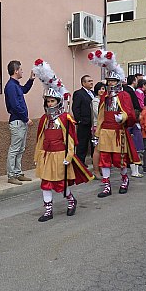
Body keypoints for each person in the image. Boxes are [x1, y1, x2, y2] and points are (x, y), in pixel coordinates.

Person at [32, 60, 93, 222]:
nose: (50, 104)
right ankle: (48, 210)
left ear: (58, 101)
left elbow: (71, 139)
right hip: (47, 155)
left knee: (60, 185)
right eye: (48, 101)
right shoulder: (44, 119)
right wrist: (38, 156)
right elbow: (41, 138)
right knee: (45, 183)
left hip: (60, 155)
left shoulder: (66, 118)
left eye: (52, 101)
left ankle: (71, 200)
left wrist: (68, 157)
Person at [88, 50, 141, 197]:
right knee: (104, 159)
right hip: (105, 132)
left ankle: (124, 180)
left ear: (118, 81)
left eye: (113, 81)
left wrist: (122, 117)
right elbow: (100, 117)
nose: (110, 83)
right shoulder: (104, 97)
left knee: (120, 160)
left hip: (119, 133)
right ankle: (106, 186)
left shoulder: (124, 95)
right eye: (109, 81)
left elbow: (130, 113)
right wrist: (97, 133)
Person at [4, 60, 35, 184]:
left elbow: (24, 90)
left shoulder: (15, 85)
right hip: (17, 121)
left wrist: (31, 79)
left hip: (20, 121)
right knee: (15, 149)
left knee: (20, 148)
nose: (22, 71)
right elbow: (15, 106)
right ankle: (11, 175)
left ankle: (17, 172)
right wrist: (26, 118)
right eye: (21, 69)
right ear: (16, 71)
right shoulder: (11, 86)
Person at [72, 74, 95, 163]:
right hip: (84, 123)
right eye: (89, 81)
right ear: (83, 83)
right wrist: (79, 120)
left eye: (91, 81)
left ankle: (95, 161)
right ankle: (80, 163)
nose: (91, 83)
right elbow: (76, 108)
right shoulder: (79, 93)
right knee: (82, 144)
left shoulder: (93, 93)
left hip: (93, 123)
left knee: (93, 143)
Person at [91, 81, 107, 178]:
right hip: (97, 127)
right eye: (100, 89)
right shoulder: (95, 101)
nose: (102, 91)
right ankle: (96, 170)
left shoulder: (105, 100)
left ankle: (102, 168)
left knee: (103, 149)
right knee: (97, 149)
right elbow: (98, 114)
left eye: (103, 89)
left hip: (105, 127)